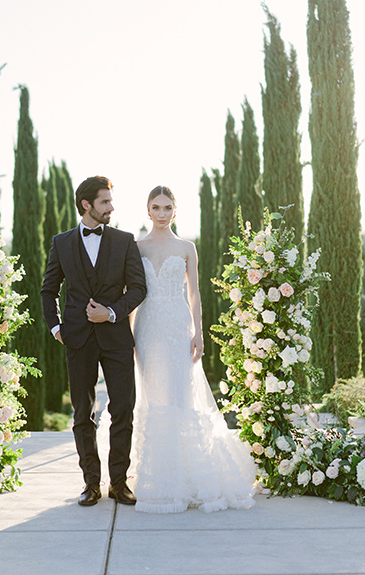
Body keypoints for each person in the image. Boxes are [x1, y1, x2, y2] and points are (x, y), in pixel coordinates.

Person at [131, 186, 256, 513]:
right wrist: (130, 335)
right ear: (147, 210)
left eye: (167, 207)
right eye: (156, 207)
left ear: (175, 210)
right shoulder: (136, 247)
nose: (161, 213)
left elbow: (195, 294)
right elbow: (130, 293)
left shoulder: (187, 247)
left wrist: (198, 333)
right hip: (147, 328)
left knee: (181, 396)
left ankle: (187, 477)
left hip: (177, 326)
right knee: (152, 396)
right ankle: (156, 476)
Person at [41, 176, 147, 507]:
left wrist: (112, 313)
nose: (111, 207)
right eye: (105, 202)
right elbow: (49, 289)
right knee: (82, 412)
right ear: (86, 205)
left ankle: (118, 483)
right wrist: (56, 328)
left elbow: (139, 288)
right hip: (77, 339)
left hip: (116, 338)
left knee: (123, 409)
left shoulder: (124, 240)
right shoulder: (61, 243)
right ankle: (90, 483)